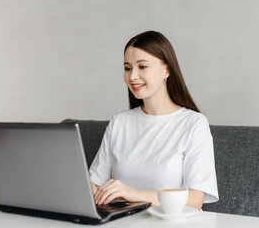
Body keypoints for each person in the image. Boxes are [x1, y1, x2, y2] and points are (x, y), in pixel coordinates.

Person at [89, 31, 218, 210]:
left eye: (142, 67)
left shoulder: (194, 124)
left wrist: (132, 193)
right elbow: (94, 184)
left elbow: (195, 200)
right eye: (127, 68)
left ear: (167, 70)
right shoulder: (119, 122)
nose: (132, 76)